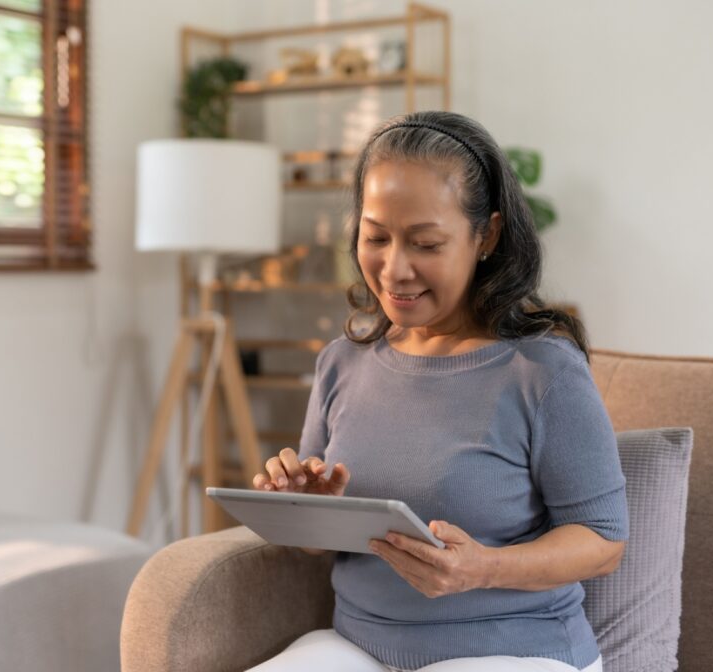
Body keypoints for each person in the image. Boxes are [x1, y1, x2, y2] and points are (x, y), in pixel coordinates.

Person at [249, 111, 628, 672]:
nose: (394, 269)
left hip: (512, 651)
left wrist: (484, 569)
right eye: (375, 237)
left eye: (425, 243)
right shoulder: (341, 364)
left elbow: (604, 542)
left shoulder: (543, 370)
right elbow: (316, 545)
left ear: (487, 236)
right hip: (358, 647)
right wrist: (311, 509)